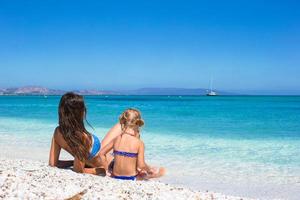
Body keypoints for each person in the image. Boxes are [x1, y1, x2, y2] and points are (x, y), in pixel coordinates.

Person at [49, 92, 122, 175]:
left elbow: (52, 163)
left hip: (104, 156)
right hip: (112, 164)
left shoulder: (57, 132)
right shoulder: (81, 137)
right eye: (83, 109)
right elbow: (79, 170)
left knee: (122, 124)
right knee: (125, 124)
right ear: (80, 113)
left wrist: (72, 162)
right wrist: (98, 170)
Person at [100, 108, 165, 180]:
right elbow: (141, 165)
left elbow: (101, 153)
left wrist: (107, 170)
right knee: (146, 173)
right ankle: (154, 174)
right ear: (138, 124)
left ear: (123, 122)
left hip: (115, 176)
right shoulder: (139, 143)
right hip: (131, 178)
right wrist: (149, 169)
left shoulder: (116, 139)